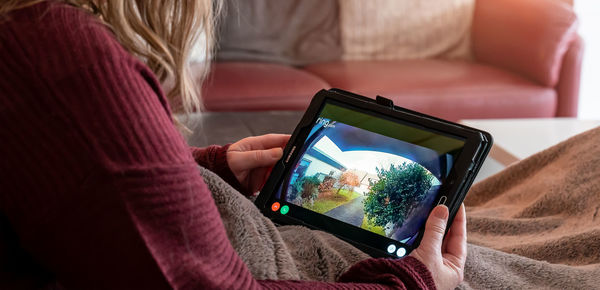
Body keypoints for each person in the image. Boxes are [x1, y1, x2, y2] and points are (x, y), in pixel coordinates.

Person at [0, 1, 466, 289]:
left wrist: (202, 166)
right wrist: (410, 283)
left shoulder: (29, 34)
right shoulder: (66, 59)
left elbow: (81, 172)